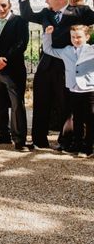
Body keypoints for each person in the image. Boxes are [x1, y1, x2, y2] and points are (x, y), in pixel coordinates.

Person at [19, 0, 94, 149]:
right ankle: (39, 140)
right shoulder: (46, 13)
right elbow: (27, 15)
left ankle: (66, 141)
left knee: (65, 105)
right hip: (46, 65)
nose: (46, 0)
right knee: (41, 102)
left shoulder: (80, 12)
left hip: (68, 66)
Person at [0, 0, 30, 151]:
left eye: (3, 5)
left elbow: (21, 44)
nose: (0, 9)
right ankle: (3, 134)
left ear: (9, 5)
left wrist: (4, 59)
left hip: (13, 70)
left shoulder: (20, 22)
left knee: (17, 105)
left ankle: (19, 140)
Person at [42, 25, 94, 157]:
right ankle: (76, 143)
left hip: (89, 89)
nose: (76, 39)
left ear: (87, 37)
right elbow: (48, 49)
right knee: (76, 118)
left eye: (79, 37)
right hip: (73, 88)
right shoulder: (66, 50)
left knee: (90, 119)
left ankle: (88, 146)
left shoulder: (92, 50)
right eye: (73, 37)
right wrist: (47, 35)